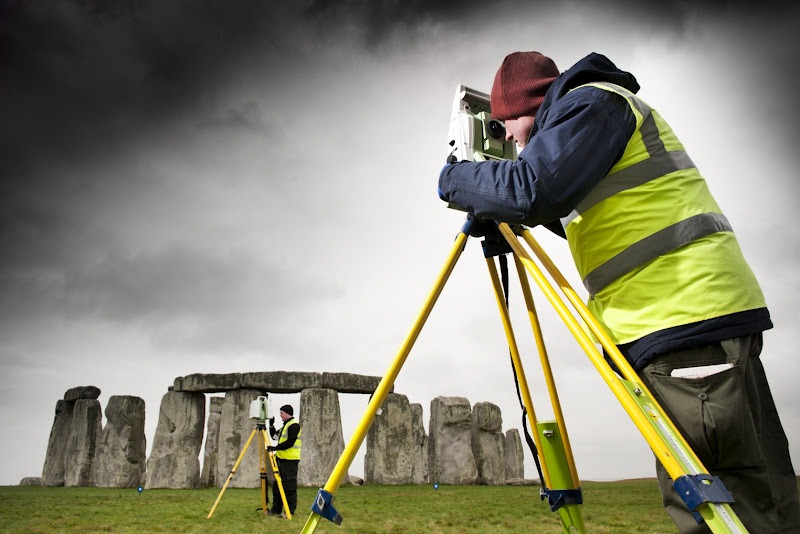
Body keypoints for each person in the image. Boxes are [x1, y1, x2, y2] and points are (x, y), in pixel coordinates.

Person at [438, 51, 800, 533]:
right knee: (766, 490)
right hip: (699, 313)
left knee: (721, 500)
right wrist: (497, 200)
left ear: (530, 107)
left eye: (507, 126)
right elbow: (556, 207)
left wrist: (454, 178)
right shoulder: (591, 124)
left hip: (680, 317)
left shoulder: (591, 105)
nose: (510, 140)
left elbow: (531, 191)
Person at [267, 404, 302, 518]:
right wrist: (271, 425)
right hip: (281, 460)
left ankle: (289, 511)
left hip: (290, 461)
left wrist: (275, 448)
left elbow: (290, 442)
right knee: (277, 486)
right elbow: (274, 437)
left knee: (289, 487)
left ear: (287, 413)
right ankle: (276, 509)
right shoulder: (284, 427)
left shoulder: (294, 425)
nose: (280, 415)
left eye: (281, 413)